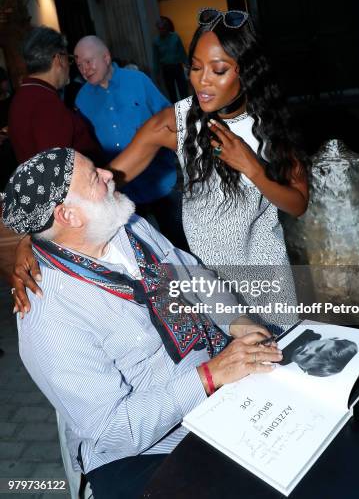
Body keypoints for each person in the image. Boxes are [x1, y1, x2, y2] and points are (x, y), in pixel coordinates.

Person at [1, 148, 282, 499]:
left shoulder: (124, 227)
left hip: (215, 384)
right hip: (147, 451)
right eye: (94, 176)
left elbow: (188, 272)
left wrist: (235, 320)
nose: (110, 174)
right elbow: (111, 431)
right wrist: (210, 376)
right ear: (69, 215)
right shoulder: (48, 318)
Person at [109, 8, 309, 323]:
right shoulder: (176, 122)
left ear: (247, 71)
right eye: (196, 67)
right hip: (213, 285)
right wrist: (33, 236)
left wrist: (253, 169)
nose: (202, 82)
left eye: (218, 70)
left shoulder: (272, 122)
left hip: (270, 277)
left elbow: (298, 205)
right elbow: (104, 180)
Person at [74, 35, 187, 249]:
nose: (84, 69)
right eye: (79, 65)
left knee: (180, 243)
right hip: (121, 192)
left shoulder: (138, 81)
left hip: (160, 180)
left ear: (106, 57)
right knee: (143, 251)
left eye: (88, 61)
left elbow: (168, 116)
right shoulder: (81, 99)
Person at [7, 26, 102, 165]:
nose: (70, 67)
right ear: (59, 59)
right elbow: (57, 168)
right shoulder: (45, 103)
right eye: (69, 59)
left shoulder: (23, 96)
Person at [280, 329, 358, 377]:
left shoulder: (282, 361)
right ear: (332, 338)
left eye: (308, 358)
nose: (307, 351)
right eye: (318, 348)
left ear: (304, 368)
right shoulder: (307, 332)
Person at [153, 16, 189, 103]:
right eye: (159, 29)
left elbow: (182, 52)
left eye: (163, 28)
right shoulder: (156, 41)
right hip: (166, 68)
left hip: (177, 66)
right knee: (171, 91)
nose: (161, 30)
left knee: (183, 89)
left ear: (167, 28)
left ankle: (188, 108)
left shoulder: (175, 37)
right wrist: (156, 73)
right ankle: (176, 109)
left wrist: (188, 64)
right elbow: (155, 58)